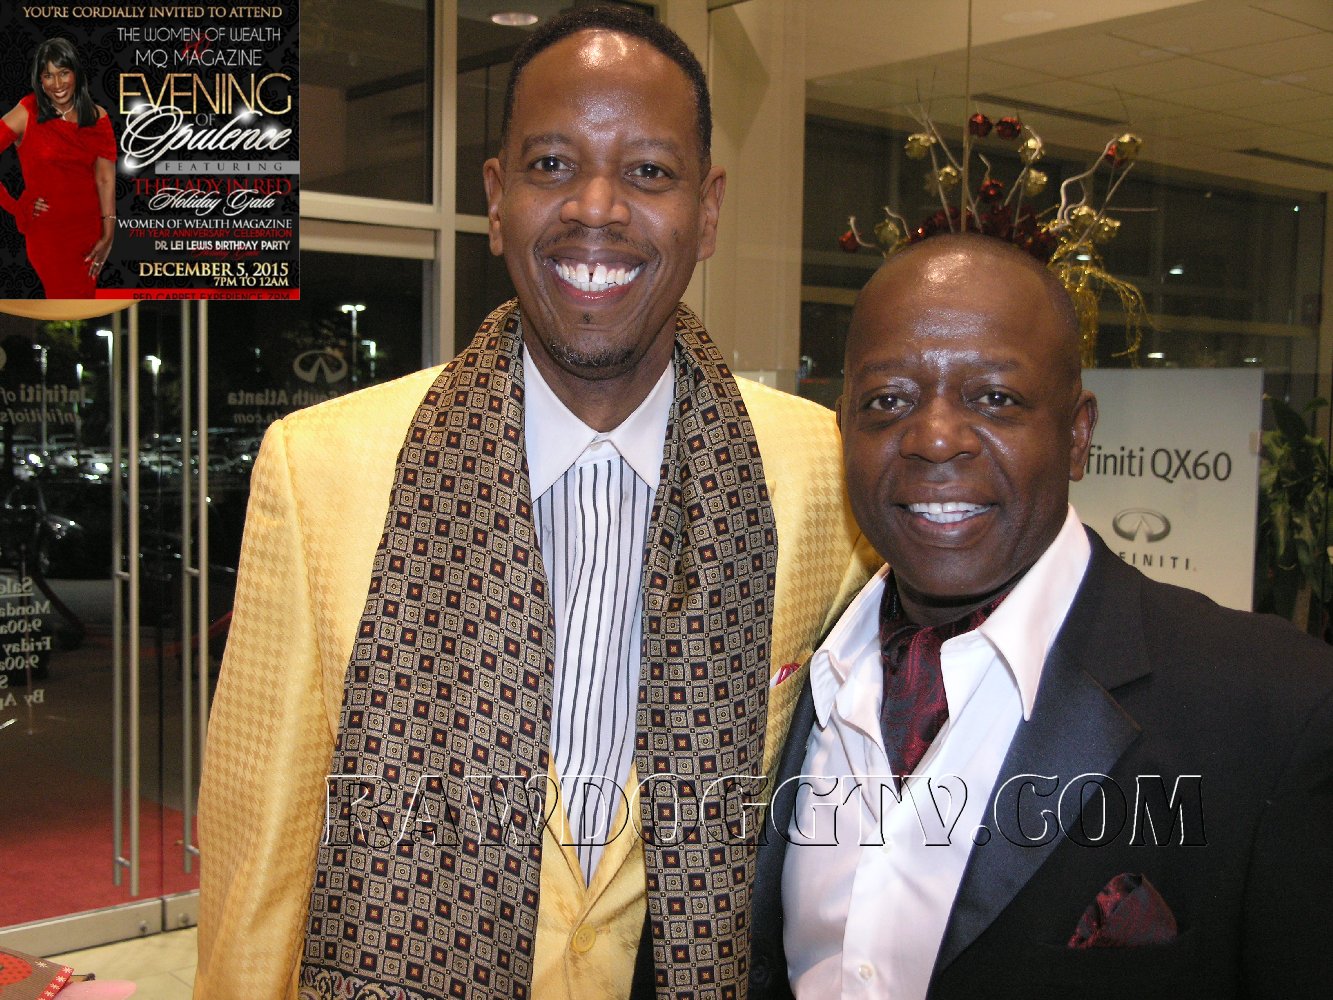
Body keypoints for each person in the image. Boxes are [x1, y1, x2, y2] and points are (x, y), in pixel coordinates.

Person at [195, 7, 868, 1000]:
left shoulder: (819, 474)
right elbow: (259, 859)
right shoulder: (319, 469)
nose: (596, 208)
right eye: (552, 164)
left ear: (708, 210)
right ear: (496, 198)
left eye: (649, 171)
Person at [751, 233, 1333, 999]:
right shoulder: (784, 674)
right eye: (887, 400)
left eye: (994, 398)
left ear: (1077, 434)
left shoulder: (1277, 709)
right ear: (844, 430)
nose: (933, 439)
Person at [0, 37, 116, 298]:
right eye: (48, 75)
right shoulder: (27, 112)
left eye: (63, 73)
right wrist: (17, 206)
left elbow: (105, 179)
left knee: (82, 306)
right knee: (65, 303)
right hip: (49, 236)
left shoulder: (98, 117)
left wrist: (108, 235)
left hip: (89, 234)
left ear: (76, 73)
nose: (57, 84)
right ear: (40, 80)